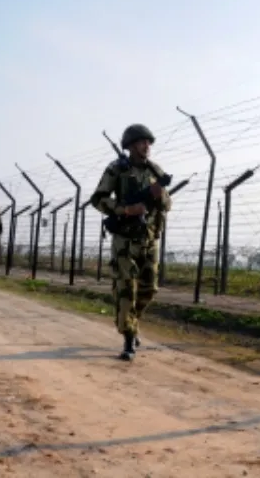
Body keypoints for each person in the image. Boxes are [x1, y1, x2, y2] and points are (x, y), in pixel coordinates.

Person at [90, 124, 172, 361]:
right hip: (125, 240)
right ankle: (128, 339)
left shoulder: (155, 170)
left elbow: (167, 205)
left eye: (148, 142)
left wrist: (161, 195)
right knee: (126, 289)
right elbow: (98, 199)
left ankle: (131, 323)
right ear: (130, 145)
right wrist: (125, 209)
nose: (146, 146)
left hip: (149, 238)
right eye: (142, 142)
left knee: (149, 289)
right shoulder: (117, 170)